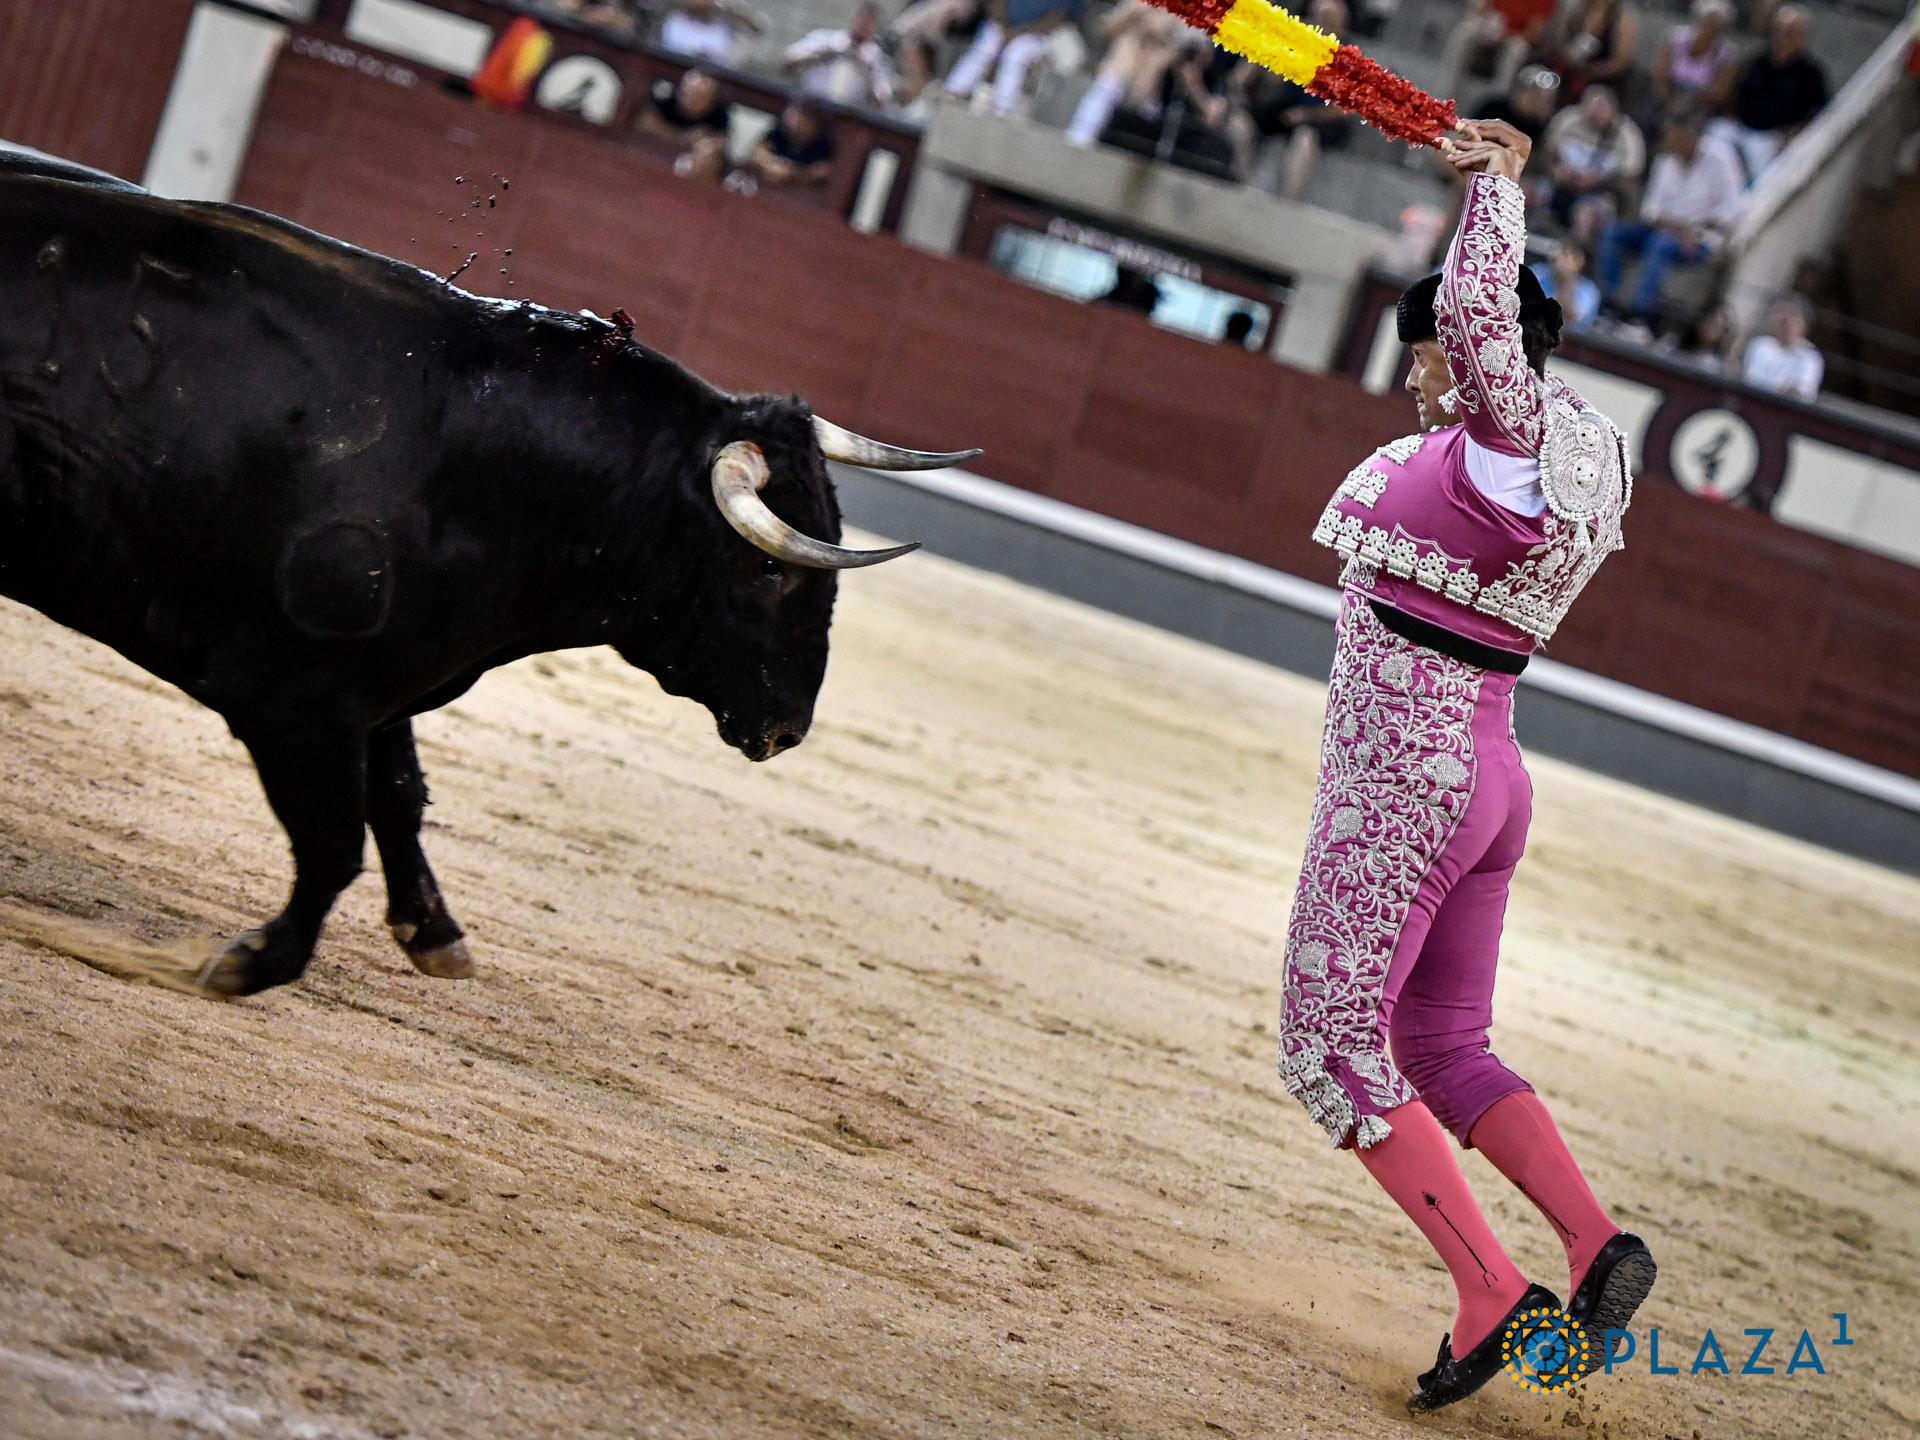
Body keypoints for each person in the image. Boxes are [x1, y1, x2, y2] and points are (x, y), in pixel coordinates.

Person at [1288, 117, 1650, 1412]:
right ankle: (1592, 1239)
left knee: (1331, 1045)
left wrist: (1497, 189)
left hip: (1406, 782)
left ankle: (1491, 1286)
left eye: (1426, 356)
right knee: (1441, 1040)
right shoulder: (1581, 459)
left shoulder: (1504, 444)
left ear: (1479, 352)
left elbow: (1479, 307)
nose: (1416, 379)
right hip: (1492, 778)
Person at [1595, 111, 1743, 323]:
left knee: (1661, 243)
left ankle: (1639, 316)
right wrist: (1680, 229)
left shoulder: (1721, 158)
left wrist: (1694, 231)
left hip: (1703, 238)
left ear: (1690, 136)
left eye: (1673, 136)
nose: (1667, 141)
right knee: (1613, 233)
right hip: (1666, 229)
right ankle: (1608, 303)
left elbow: (1732, 211)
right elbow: (1650, 212)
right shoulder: (1664, 161)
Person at [1226, 0, 1354, 198]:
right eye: (1320, 19)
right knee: (1241, 122)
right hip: (1289, 108)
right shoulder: (1300, 42)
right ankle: (1237, 182)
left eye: (1329, 20)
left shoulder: (1348, 59)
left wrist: (1306, 115)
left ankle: (1288, 199)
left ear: (1341, 24)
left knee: (1305, 138)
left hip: (1321, 117)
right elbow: (1267, 82)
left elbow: (1344, 109)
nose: (1323, 25)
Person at [1712, 5, 1828, 184]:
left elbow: (1817, 113)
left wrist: (1791, 134)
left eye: (1792, 32)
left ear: (1802, 36)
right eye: (1782, 30)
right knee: (1715, 136)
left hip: (1773, 137)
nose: (1785, 36)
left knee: (1763, 173)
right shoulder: (1758, 60)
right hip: (1741, 128)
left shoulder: (1811, 72)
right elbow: (1737, 92)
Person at [1065, 0, 1197, 148]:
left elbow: (1182, 51)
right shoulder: (1137, 5)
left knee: (1145, 119)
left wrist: (1160, 31)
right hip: (1119, 71)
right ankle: (1079, 140)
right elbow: (1107, 28)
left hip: (1148, 84)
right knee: (1103, 93)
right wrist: (1133, 15)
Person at [944, 0, 1084, 117]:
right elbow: (996, 3)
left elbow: (1056, 18)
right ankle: (955, 90)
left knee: (1016, 55)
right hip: (1004, 25)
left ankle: (1003, 108)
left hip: (1038, 35)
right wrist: (1004, 26)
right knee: (987, 45)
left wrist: (1019, 32)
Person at [1539, 85, 1643, 243]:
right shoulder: (1567, 120)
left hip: (1600, 196)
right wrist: (1555, 171)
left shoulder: (1628, 136)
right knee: (1526, 194)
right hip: (1559, 185)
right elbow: (1546, 153)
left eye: (1600, 115)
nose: (1595, 120)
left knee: (1585, 215)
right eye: (1591, 115)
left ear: (1613, 113)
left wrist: (1599, 181)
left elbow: (1629, 183)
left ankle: (1576, 253)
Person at [1437, 0, 1553, 102]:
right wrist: (1481, 21)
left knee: (1516, 50)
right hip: (1491, 27)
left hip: (1516, 37)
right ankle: (1445, 92)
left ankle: (1496, 101)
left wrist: (1506, 34)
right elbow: (1480, 8)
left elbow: (1534, 32)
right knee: (1465, 32)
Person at [785, 3, 895, 109]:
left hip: (848, 114)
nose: (863, 26)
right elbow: (789, 60)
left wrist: (867, 72)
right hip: (810, 105)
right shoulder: (825, 39)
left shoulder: (877, 60)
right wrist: (818, 56)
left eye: (869, 23)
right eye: (862, 20)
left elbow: (882, 99)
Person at [1647, 0, 1738, 124]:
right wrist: (1670, 100)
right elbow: (1659, 74)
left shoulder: (1726, 56)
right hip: (1666, 96)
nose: (1711, 29)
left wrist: (1689, 103)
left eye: (1717, 27)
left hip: (1698, 105)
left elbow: (1720, 92)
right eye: (1709, 22)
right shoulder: (1675, 38)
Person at [635, 67, 729, 181]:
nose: (691, 99)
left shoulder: (718, 118)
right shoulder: (665, 105)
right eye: (687, 91)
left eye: (699, 96)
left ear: (711, 101)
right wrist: (682, 137)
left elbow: (717, 144)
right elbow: (645, 123)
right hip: (649, 163)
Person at [1540, 0, 1638, 103]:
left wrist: (1590, 70)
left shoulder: (1622, 21)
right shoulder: (1576, 12)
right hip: (1569, 70)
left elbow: (1619, 62)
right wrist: (1567, 54)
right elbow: (1562, 41)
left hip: (1599, 81)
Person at [1742, 295, 1823, 399]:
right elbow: (1751, 379)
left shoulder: (1811, 358)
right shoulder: (1760, 345)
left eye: (1793, 318)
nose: (1787, 325)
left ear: (1804, 325)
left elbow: (1804, 392)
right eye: (1782, 320)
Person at [748, 101, 836, 188]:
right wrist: (770, 164)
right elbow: (757, 153)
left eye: (801, 120)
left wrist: (792, 172)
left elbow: (820, 174)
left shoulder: (824, 144)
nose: (791, 121)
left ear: (814, 125)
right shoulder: (780, 130)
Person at [658, 0, 762, 67]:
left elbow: (756, 29)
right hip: (672, 67)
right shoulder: (676, 18)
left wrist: (728, 9)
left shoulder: (722, 26)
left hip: (711, 76)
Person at [1531, 239, 1600, 329]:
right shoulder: (1536, 274)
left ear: (1579, 262)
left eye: (1565, 255)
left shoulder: (1589, 291)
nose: (1559, 259)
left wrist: (1565, 285)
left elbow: (1575, 320)